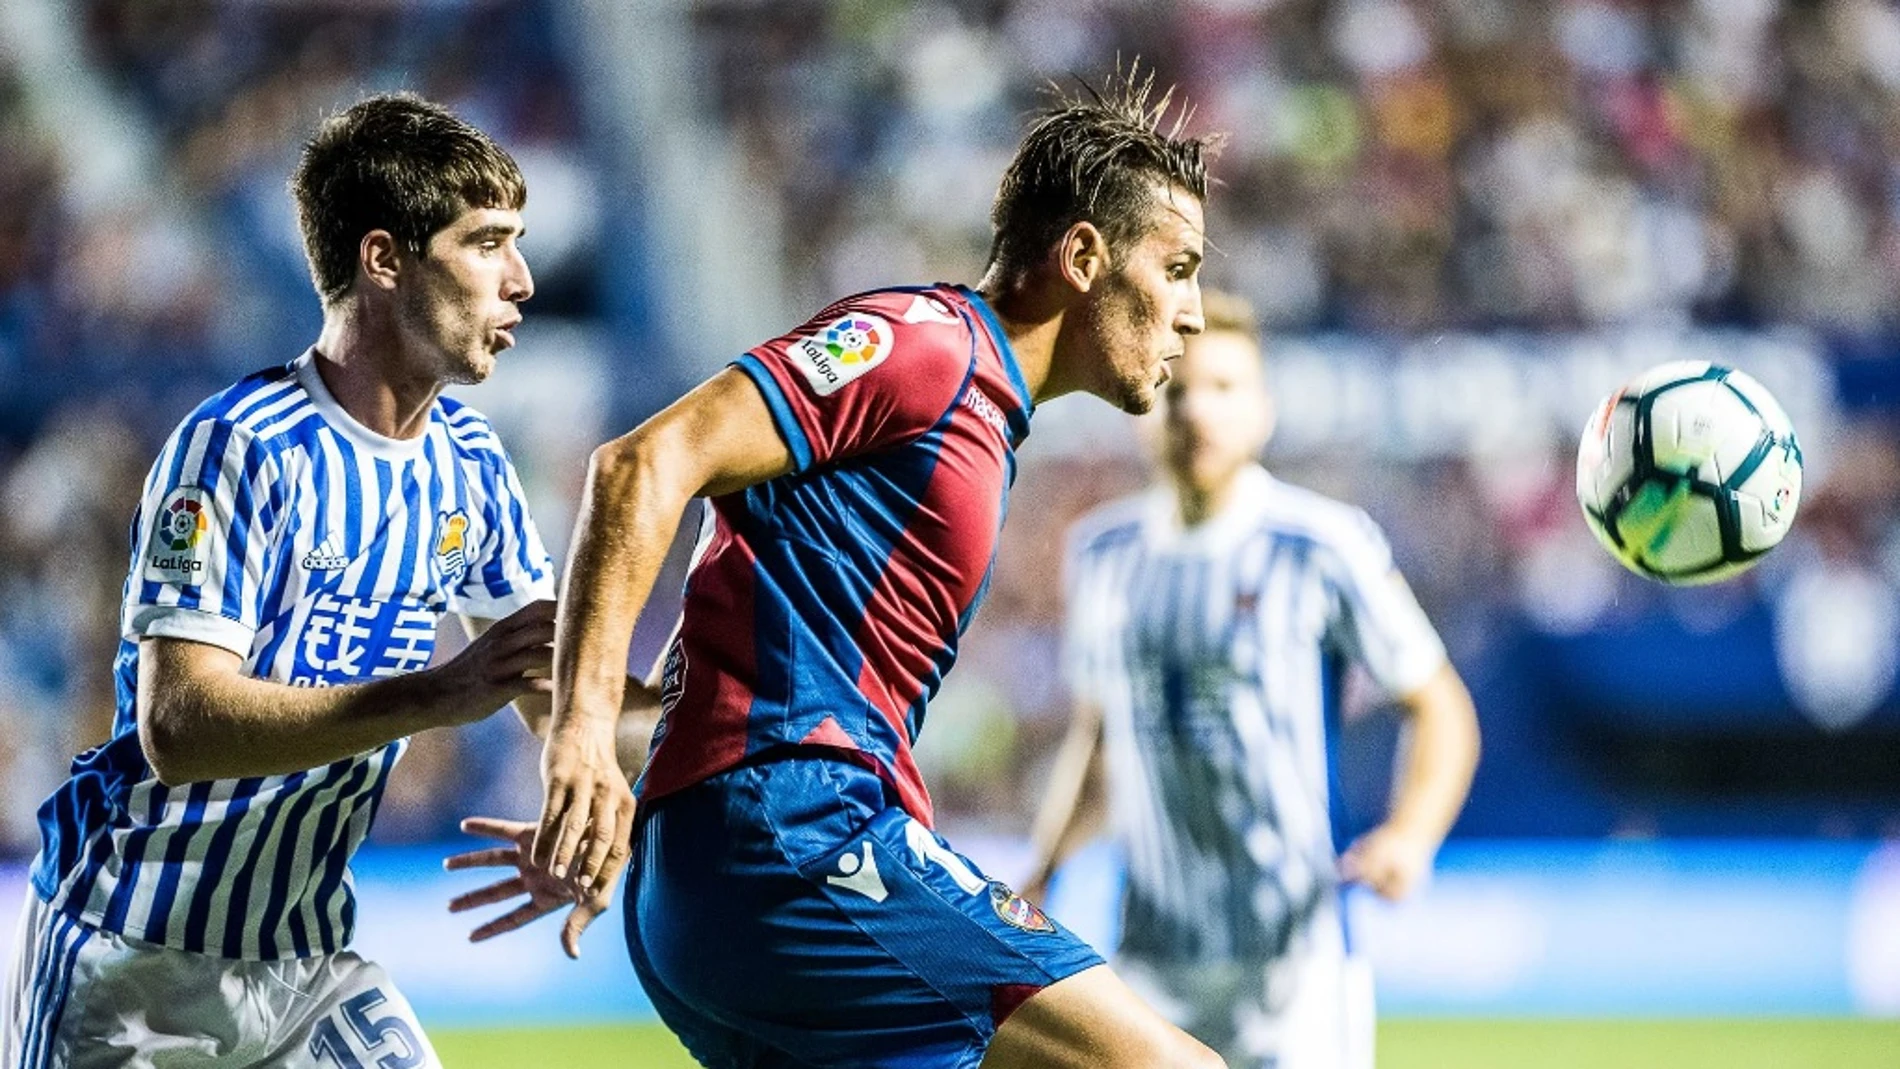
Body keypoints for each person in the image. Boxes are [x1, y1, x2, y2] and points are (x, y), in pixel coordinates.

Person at [452, 71, 1230, 1067]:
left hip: (719, 868)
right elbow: (643, 464)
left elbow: (746, 677)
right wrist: (580, 741)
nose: (1190, 312)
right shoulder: (924, 348)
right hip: (796, 834)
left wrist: (620, 777)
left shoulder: (980, 417)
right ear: (1083, 256)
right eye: (1177, 268)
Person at [1, 93, 562, 1069]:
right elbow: (181, 726)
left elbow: (562, 695)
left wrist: (712, 717)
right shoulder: (237, 447)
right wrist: (438, 693)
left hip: (303, 969)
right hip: (132, 967)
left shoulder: (470, 460)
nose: (521, 279)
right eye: (485, 244)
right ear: (384, 259)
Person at [1020, 290, 1482, 1069]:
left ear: (1263, 411)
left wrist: (1411, 834)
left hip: (1295, 972)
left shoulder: (1322, 545)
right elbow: (1101, 740)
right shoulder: (1101, 555)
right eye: (1176, 387)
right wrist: (1043, 871)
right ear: (1141, 406)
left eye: (1224, 387)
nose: (1197, 409)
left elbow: (1439, 703)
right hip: (1148, 965)